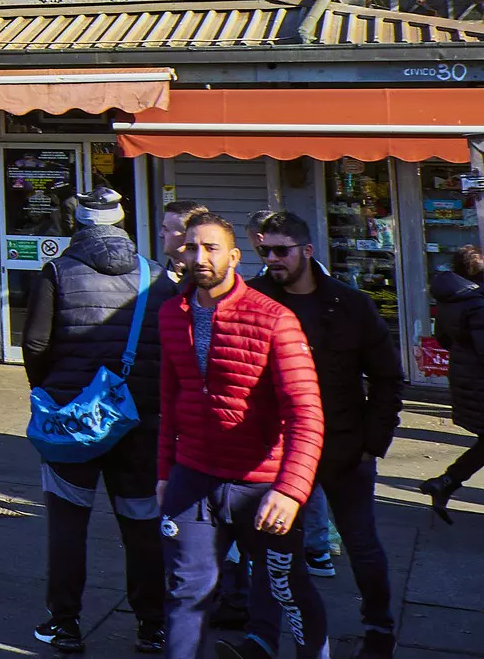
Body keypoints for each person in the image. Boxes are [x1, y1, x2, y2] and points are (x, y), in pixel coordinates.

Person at [156, 212, 325, 659]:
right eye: (192, 246)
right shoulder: (172, 313)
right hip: (192, 477)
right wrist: (162, 474)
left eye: (211, 248)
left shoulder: (274, 319)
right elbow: (170, 399)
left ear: (233, 256)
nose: (199, 256)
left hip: (262, 484)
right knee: (185, 592)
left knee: (288, 590)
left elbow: (306, 411)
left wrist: (290, 490)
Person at [242, 210, 398, 658]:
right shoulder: (254, 300)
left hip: (343, 444)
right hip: (278, 446)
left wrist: (373, 443)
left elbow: (387, 377)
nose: (271, 258)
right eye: (264, 250)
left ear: (306, 251)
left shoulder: (350, 304)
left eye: (280, 251)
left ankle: (379, 628)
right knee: (272, 545)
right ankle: (261, 636)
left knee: (360, 541)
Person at [20, 186, 169, 655]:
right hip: (140, 421)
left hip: (73, 422)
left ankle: (64, 623)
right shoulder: (156, 276)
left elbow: (36, 345)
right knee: (142, 525)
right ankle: (152, 624)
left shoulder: (57, 271)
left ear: (77, 224)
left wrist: (48, 388)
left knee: (68, 523)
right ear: (122, 223)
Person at [420, 244, 484, 523]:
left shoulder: (451, 299)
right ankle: (447, 482)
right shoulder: (477, 302)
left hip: (466, 376)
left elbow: (443, 338)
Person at [158, 200, 208, 284]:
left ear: (188, 235)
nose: (161, 234)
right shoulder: (163, 275)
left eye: (166, 229)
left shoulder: (210, 276)